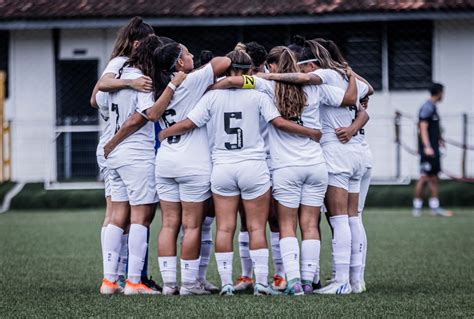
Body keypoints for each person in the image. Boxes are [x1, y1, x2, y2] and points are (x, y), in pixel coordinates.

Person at [158, 50, 326, 296]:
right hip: (253, 166)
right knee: (257, 228)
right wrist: (311, 132)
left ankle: (226, 283)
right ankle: (260, 282)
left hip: (223, 167)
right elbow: (278, 122)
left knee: (225, 228)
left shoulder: (211, 97)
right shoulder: (258, 95)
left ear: (227, 71)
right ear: (250, 71)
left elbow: (189, 123)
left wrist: (165, 133)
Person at [151, 42, 231, 296]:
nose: (192, 55)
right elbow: (224, 62)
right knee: (192, 226)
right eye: (187, 53)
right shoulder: (193, 80)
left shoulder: (157, 86)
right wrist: (202, 76)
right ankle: (188, 284)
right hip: (192, 163)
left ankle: (168, 285)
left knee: (168, 225)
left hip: (165, 161)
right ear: (179, 64)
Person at [91, 16, 155, 294]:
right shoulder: (140, 77)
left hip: (111, 148)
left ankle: (110, 279)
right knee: (140, 217)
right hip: (129, 148)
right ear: (140, 44)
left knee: (116, 215)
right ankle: (132, 281)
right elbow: (141, 117)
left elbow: (96, 98)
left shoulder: (115, 71)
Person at [412, 83, 453, 217]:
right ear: (439, 92)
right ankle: (416, 208)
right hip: (428, 151)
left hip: (434, 150)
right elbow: (422, 128)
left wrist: (440, 140)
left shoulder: (433, 108)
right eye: (443, 92)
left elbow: (434, 129)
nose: (443, 95)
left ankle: (434, 208)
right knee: (424, 178)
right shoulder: (427, 107)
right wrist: (427, 147)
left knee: (434, 177)